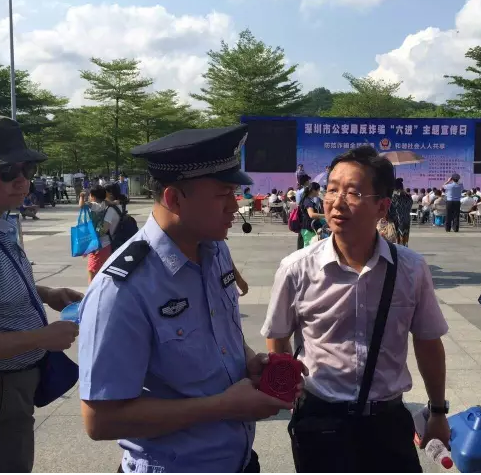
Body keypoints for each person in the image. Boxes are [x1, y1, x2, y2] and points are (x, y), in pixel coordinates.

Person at [78, 124, 299, 473]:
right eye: (223, 194)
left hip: (238, 462)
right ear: (174, 199)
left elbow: (219, 329)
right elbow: (100, 420)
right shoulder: (122, 289)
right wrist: (223, 407)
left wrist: (248, 361)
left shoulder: (214, 249)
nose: (235, 206)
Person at [262, 145, 450, 473]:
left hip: (388, 423)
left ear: (382, 206)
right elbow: (278, 336)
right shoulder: (297, 268)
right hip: (321, 422)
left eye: (353, 192)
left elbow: (428, 342)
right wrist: (288, 392)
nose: (336, 201)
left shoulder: (411, 268)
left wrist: (437, 411)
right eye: (332, 189)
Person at [0, 116, 82, 472]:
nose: (22, 180)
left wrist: (45, 292)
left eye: (27, 169)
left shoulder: (5, 221)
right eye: (7, 171)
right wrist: (40, 337)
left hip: (19, 380)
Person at [79, 186, 121, 282]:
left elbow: (81, 206)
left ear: (93, 197)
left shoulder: (93, 205)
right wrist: (115, 202)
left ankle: (92, 291)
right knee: (101, 273)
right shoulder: (106, 204)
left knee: (92, 273)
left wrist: (81, 197)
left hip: (99, 245)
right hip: (105, 243)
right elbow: (112, 203)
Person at [389, 178, 413, 246]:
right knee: (404, 240)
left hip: (396, 220)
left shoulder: (393, 197)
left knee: (396, 241)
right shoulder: (408, 196)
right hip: (406, 220)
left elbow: (390, 209)